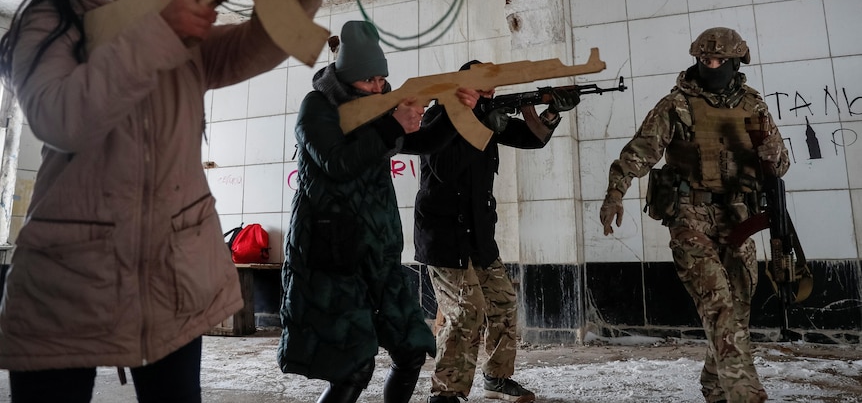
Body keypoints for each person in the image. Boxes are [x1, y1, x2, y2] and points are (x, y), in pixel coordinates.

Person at [0, 0, 339, 403]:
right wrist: (159, 34)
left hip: (174, 276)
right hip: (69, 281)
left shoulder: (173, 35)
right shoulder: (53, 19)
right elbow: (60, 119)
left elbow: (251, 48)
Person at [278, 21, 479, 403]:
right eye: (369, 80)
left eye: (382, 79)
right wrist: (391, 127)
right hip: (332, 257)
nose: (378, 86)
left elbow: (426, 141)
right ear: (347, 76)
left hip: (378, 255)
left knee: (410, 350)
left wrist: (454, 110)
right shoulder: (316, 107)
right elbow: (336, 162)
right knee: (353, 369)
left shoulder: (382, 107)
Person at [599, 27, 789, 403]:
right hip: (689, 217)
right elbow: (639, 152)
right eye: (705, 60)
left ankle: (715, 386)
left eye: (719, 60)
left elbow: (780, 166)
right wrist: (614, 194)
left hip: (737, 217)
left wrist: (770, 151)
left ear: (736, 62)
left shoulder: (754, 106)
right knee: (718, 303)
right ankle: (745, 394)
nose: (711, 66)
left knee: (738, 307)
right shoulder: (677, 105)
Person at [414, 60, 579, 403]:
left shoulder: (488, 114)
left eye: (491, 86)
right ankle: (446, 392)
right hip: (444, 237)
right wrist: (483, 128)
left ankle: (497, 379)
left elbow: (531, 140)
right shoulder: (439, 117)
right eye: (480, 85)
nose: (488, 92)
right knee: (466, 310)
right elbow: (443, 169)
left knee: (503, 304)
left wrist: (550, 112)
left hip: (479, 237)